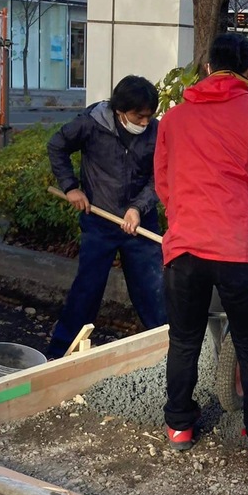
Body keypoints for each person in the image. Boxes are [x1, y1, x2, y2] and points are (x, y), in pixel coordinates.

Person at [154, 33, 248, 470]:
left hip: (185, 248)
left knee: (183, 341)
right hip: (240, 249)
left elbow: (164, 183)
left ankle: (179, 425)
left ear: (206, 70)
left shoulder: (174, 120)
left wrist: (183, 220)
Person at [46, 75, 166, 359]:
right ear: (120, 111)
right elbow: (57, 146)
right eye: (139, 116)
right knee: (87, 288)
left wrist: (138, 207)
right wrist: (71, 187)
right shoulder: (91, 124)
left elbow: (160, 177)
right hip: (100, 221)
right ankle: (61, 352)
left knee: (153, 289)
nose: (145, 122)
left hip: (140, 223)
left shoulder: (156, 133)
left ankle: (167, 351)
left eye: (150, 116)